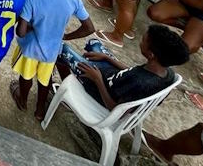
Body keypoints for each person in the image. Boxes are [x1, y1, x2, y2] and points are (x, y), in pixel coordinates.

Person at [10, 0, 94, 121]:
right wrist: (66, 36)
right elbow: (89, 28)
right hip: (52, 50)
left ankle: (22, 100)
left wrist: (34, 26)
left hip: (30, 50)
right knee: (45, 79)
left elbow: (20, 32)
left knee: (26, 77)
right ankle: (40, 110)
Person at [56, 24, 189, 110]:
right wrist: (107, 58)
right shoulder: (164, 71)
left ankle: (68, 91)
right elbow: (130, 71)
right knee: (93, 43)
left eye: (143, 40)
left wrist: (97, 79)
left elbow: (114, 107)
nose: (140, 41)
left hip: (98, 87)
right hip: (110, 76)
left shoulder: (141, 82)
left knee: (59, 49)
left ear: (151, 54)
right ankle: (87, 65)